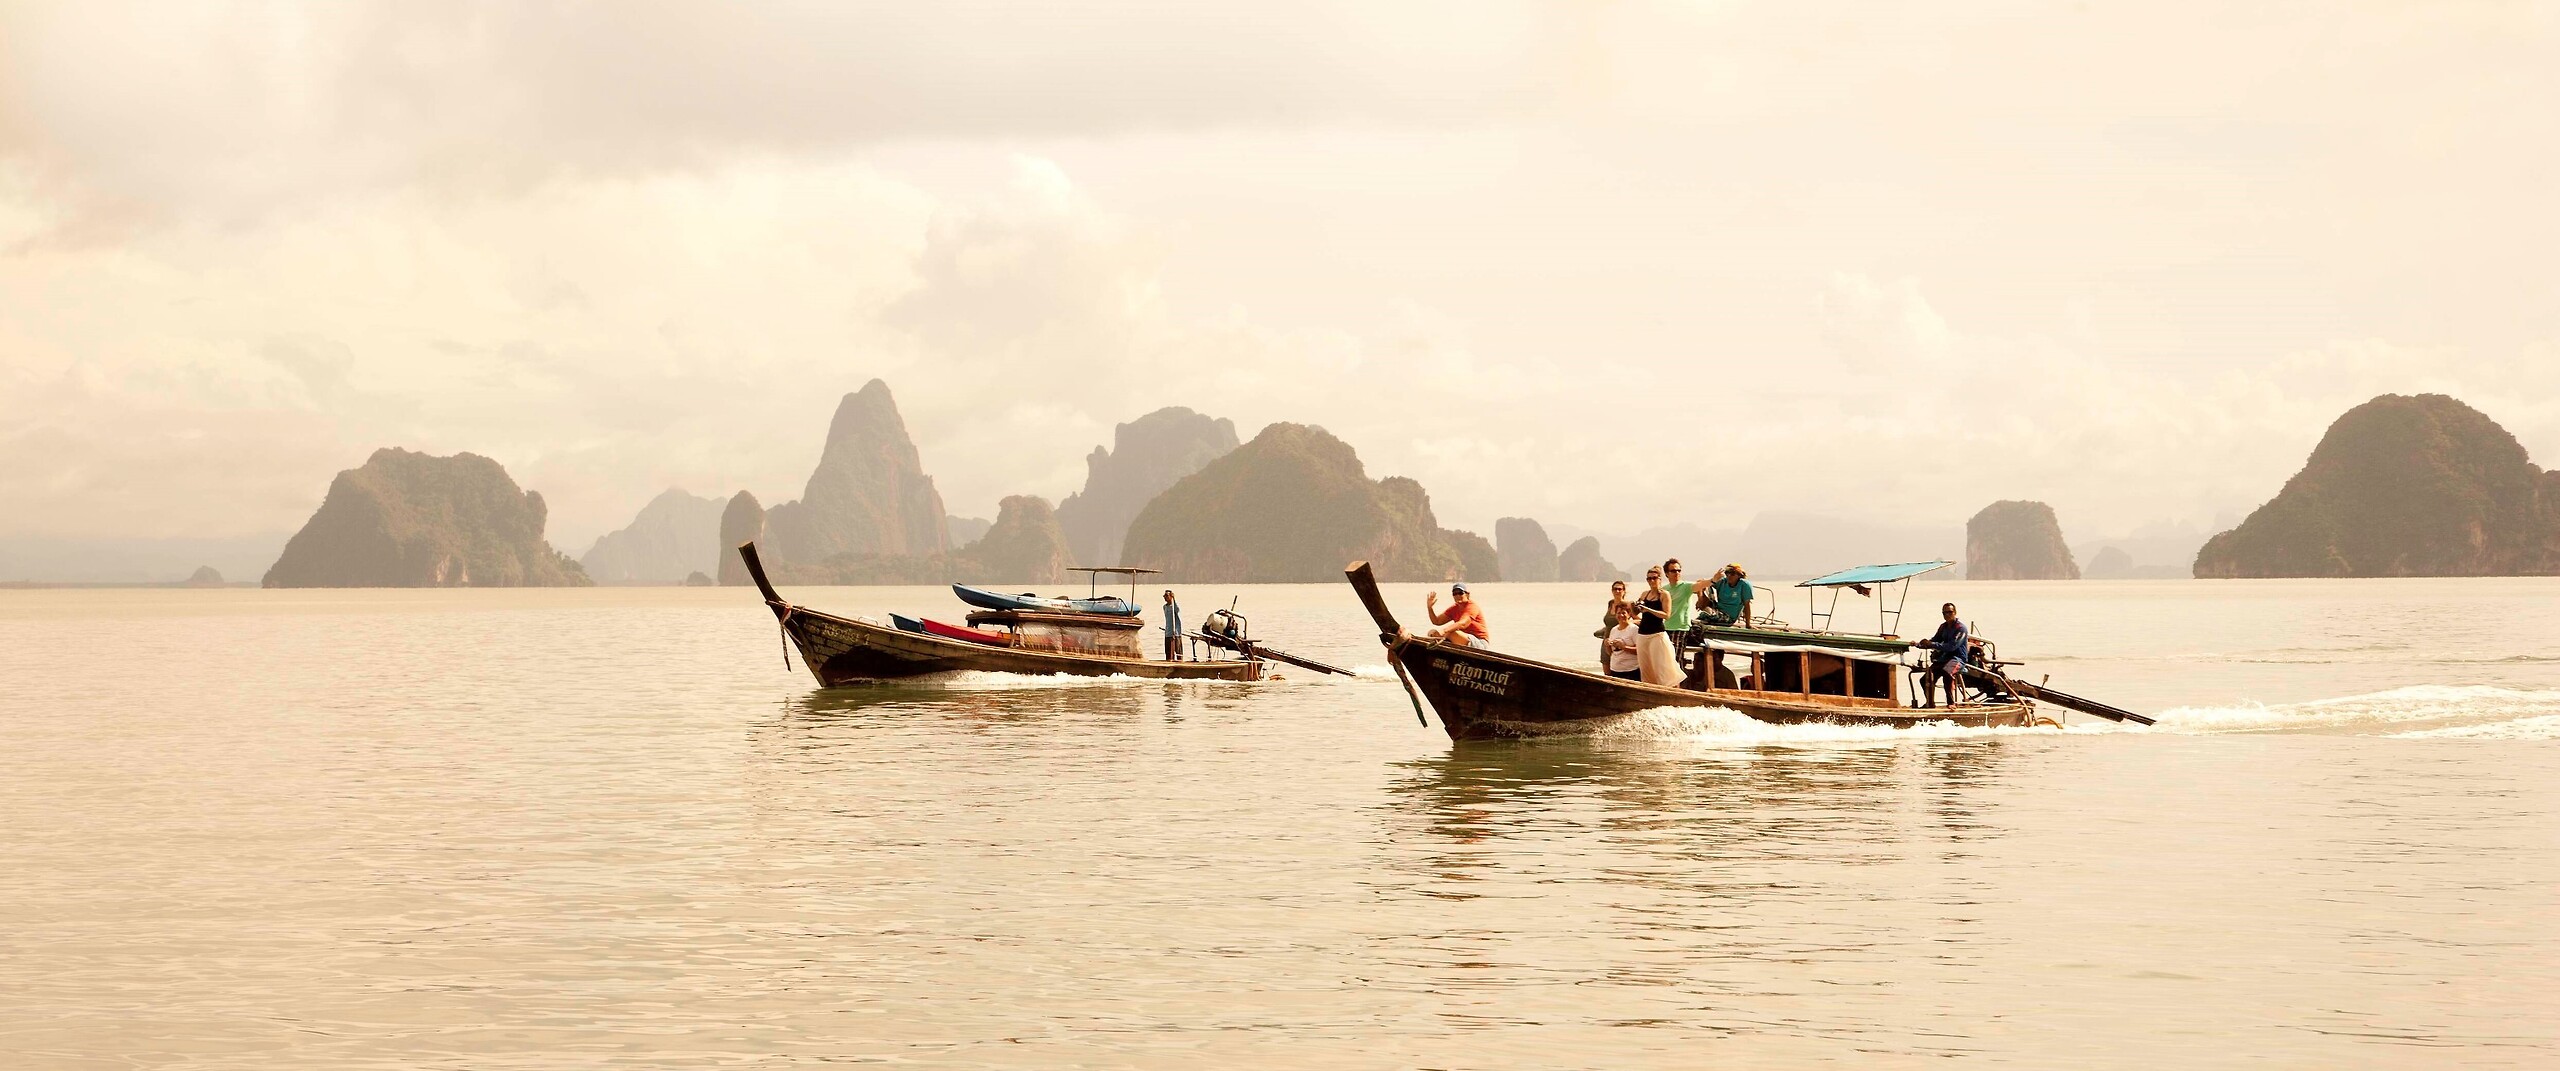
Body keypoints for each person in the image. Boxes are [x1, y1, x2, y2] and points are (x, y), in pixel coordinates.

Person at [1917, 601, 1969, 708]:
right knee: (1925, 679)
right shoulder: (1943, 627)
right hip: (1944, 658)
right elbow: (1935, 640)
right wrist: (1920, 644)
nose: (1947, 615)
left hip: (1958, 659)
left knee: (1947, 672)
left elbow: (1952, 646)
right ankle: (1930, 703)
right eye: (1944, 613)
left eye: (1950, 612)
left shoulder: (1961, 628)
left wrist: (1931, 644)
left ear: (1955, 612)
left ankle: (1951, 703)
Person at [1632, 566, 1678, 685]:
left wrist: (1648, 609)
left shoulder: (1664, 594)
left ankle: (1666, 689)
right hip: (1643, 634)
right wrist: (1635, 607)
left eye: (1654, 578)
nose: (1652, 581)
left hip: (1657, 634)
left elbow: (1666, 615)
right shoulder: (1644, 594)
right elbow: (1636, 612)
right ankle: (1648, 689)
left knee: (1661, 668)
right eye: (1649, 578)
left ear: (1660, 579)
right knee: (1645, 668)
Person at [1424, 582, 1491, 648]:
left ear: (1467, 594)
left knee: (1452, 632)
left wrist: (1444, 631)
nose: (1457, 596)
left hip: (1480, 641)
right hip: (1462, 639)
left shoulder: (1472, 606)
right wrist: (1430, 608)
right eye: (1455, 594)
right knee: (1432, 633)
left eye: (1460, 593)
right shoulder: (1454, 608)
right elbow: (1437, 621)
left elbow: (1463, 624)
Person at [1703, 563, 1755, 628]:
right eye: (1727, 573)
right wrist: (1700, 596)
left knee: (1707, 613)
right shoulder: (1722, 582)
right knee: (1705, 611)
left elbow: (1747, 605)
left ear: (1739, 575)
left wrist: (1748, 624)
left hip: (1729, 617)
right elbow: (1702, 582)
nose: (1729, 576)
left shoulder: (1744, 585)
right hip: (1717, 611)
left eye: (1732, 574)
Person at [1661, 559, 1699, 643]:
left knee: (1677, 652)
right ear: (1667, 574)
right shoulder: (1664, 590)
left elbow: (1700, 585)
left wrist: (1713, 580)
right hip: (1666, 628)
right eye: (1673, 571)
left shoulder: (1686, 587)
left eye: (1679, 570)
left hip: (1681, 629)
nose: (1677, 573)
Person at [1601, 604, 1643, 681]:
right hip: (1615, 670)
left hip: (1631, 670)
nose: (1621, 615)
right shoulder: (1614, 630)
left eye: (1623, 613)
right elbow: (1611, 653)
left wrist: (1624, 647)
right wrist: (1607, 645)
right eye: (1618, 613)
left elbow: (1640, 651)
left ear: (1629, 615)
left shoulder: (1634, 629)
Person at [1160, 589, 1184, 661]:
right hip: (1168, 632)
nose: (1165, 598)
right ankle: (1169, 661)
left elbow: (1177, 610)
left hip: (1175, 632)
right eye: (1164, 596)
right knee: (1169, 652)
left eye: (1167, 596)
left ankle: (1180, 662)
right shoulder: (1165, 607)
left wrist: (1174, 599)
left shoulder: (1174, 606)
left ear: (1171, 596)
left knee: (1178, 650)